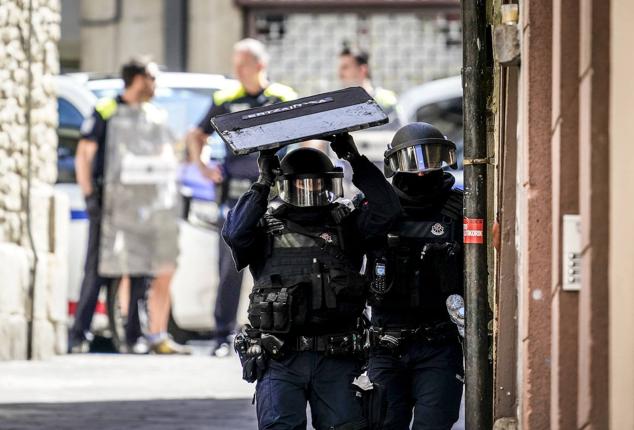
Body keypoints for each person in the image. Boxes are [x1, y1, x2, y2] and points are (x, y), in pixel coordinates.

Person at [222, 135, 401, 429]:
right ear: (286, 186)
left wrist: (355, 159)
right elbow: (235, 233)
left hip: (338, 356)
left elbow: (388, 211)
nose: (311, 191)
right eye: (302, 184)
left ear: (330, 184)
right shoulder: (267, 226)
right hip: (280, 356)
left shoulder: (346, 224)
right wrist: (262, 183)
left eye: (318, 183)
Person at [187, 38, 297, 357]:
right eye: (234, 63)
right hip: (237, 197)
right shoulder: (226, 98)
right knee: (230, 266)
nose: (236, 69)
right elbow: (196, 135)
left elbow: (309, 137)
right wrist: (203, 167)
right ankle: (222, 335)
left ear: (260, 65)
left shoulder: (281, 97)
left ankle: (280, 330)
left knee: (282, 264)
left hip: (277, 198)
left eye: (242, 63)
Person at [70, 58, 188, 355]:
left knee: (139, 272)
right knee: (97, 269)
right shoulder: (106, 110)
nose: (156, 83)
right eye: (152, 77)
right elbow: (84, 155)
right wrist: (89, 197)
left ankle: (134, 336)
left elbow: (164, 157)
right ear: (137, 78)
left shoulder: (152, 115)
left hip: (141, 205)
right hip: (108, 203)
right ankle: (79, 335)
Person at [366, 122, 465, 429]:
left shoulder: (461, 208)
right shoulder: (376, 211)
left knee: (434, 423)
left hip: (439, 343)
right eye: (413, 160)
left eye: (431, 158)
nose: (422, 171)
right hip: (385, 344)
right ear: (396, 164)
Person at [338, 45, 397, 115]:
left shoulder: (386, 100)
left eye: (345, 67)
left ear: (362, 70)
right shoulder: (341, 105)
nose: (340, 73)